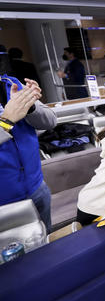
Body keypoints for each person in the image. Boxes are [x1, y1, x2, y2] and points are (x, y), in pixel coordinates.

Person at [0, 74, 57, 233]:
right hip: (4, 202)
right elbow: (7, 121)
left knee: (47, 246)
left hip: (37, 188)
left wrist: (31, 107)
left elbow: (50, 121)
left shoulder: (12, 83)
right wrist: (5, 121)